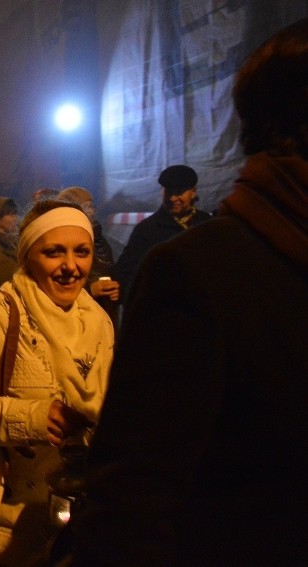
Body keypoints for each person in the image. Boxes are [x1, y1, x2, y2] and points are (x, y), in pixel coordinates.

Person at [69, 18, 308, 567]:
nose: (180, 202)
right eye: (173, 195)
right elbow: (132, 504)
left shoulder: (201, 233)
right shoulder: (190, 269)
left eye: (187, 194)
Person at [0, 199, 114, 566]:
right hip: (9, 522)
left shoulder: (99, 321)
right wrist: (33, 417)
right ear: (27, 255)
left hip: (83, 518)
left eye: (82, 252)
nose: (71, 266)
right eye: (54, 252)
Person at [112, 164, 212, 302]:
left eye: (178, 192)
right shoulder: (147, 229)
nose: (172, 199)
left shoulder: (207, 224)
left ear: (193, 192)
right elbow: (126, 272)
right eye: (168, 192)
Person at [57, 187, 120, 326]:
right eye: (86, 207)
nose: (91, 212)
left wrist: (115, 288)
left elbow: (110, 270)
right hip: (77, 321)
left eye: (91, 206)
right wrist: (90, 291)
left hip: (104, 314)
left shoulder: (98, 238)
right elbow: (57, 286)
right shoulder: (63, 241)